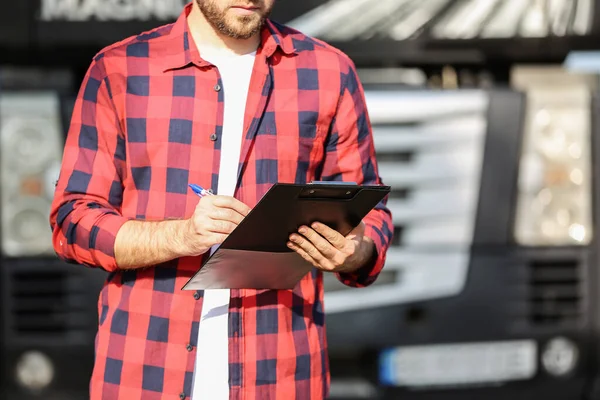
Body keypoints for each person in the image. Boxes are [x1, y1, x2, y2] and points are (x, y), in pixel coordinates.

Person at [49, 0, 393, 399]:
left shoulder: (328, 72)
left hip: (281, 376)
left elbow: (370, 210)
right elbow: (72, 221)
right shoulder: (121, 68)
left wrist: (357, 250)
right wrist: (180, 236)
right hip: (143, 371)